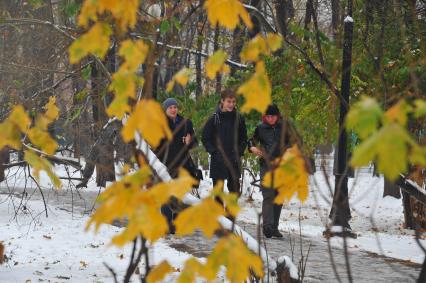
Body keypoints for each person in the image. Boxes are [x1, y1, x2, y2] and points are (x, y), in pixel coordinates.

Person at [248, 104, 299, 238]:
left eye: (273, 116)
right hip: (266, 164)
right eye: (268, 116)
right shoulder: (260, 128)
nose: (270, 119)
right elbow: (251, 141)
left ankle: (274, 227)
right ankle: (267, 226)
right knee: (268, 194)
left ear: (278, 116)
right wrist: (252, 147)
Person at [155, 97, 200, 233]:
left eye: (175, 107)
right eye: (170, 107)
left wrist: (189, 142)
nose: (173, 109)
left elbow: (195, 142)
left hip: (183, 163)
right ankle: (167, 223)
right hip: (166, 164)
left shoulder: (186, 123)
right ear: (165, 109)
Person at [202, 89, 247, 199]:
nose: (231, 104)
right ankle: (219, 216)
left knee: (234, 192)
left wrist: (239, 152)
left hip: (234, 160)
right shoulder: (214, 118)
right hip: (218, 160)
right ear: (222, 101)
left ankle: (230, 216)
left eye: (233, 102)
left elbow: (243, 138)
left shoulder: (239, 119)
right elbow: (205, 138)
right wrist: (214, 152)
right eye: (228, 101)